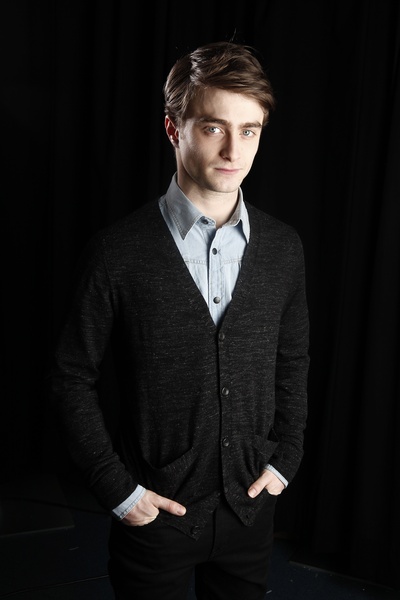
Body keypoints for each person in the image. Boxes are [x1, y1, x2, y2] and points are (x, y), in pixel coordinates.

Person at [50, 40, 310, 600]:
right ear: (174, 129)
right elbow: (71, 376)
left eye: (249, 130)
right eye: (214, 127)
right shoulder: (117, 253)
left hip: (250, 511)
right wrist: (118, 490)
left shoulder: (283, 249)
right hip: (153, 519)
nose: (233, 149)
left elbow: (292, 361)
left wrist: (286, 459)